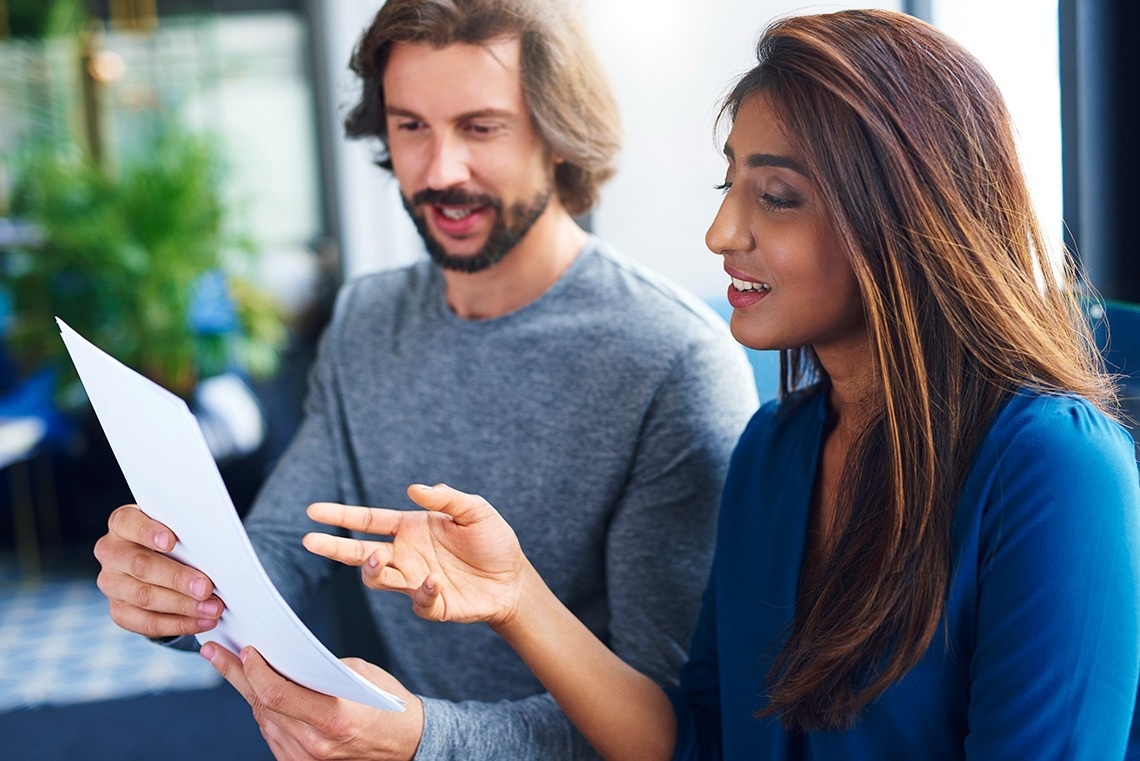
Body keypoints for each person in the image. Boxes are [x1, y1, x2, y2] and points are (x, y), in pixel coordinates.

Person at [302, 8, 1140, 759]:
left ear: (908, 220)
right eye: (727, 183)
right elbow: (702, 738)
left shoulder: (1054, 469)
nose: (719, 230)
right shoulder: (775, 449)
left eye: (776, 196)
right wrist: (516, 596)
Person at [91, 0, 758, 758]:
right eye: (411, 126)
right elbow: (280, 548)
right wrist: (174, 591)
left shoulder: (673, 361)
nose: (439, 171)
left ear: (559, 135)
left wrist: (425, 740)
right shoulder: (368, 320)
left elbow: (670, 727)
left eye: (481, 127)